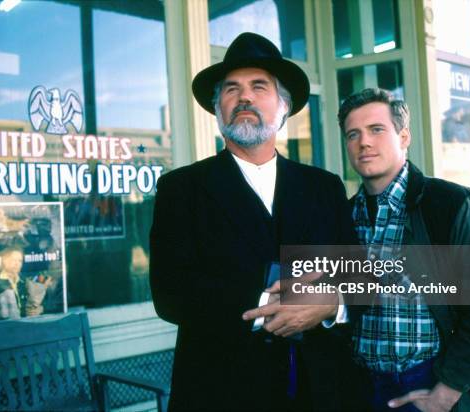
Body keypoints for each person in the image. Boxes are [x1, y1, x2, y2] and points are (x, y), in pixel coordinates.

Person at [149, 32, 358, 411]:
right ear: (218, 110)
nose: (243, 97)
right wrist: (268, 301)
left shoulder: (324, 187)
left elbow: (354, 273)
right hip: (221, 392)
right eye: (231, 89)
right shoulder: (182, 189)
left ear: (284, 107)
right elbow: (170, 293)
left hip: (320, 392)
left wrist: (331, 305)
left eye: (258, 86)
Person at [337, 88, 470, 411]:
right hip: (364, 387)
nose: (363, 142)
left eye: (376, 129)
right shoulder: (344, 216)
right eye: (353, 134)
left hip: (433, 382)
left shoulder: (451, 205)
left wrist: (447, 390)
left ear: (404, 136)